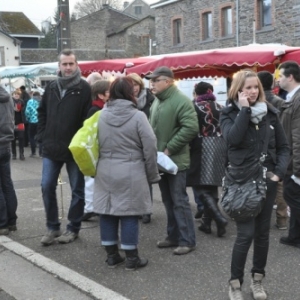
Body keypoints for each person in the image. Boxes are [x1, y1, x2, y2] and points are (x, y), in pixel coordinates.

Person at [220, 70, 289, 300]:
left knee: (262, 234)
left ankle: (257, 279)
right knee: (245, 234)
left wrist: (278, 173)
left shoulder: (270, 113)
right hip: (241, 182)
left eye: (255, 87)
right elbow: (233, 139)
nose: (252, 91)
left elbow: (283, 147)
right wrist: (244, 110)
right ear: (238, 89)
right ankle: (235, 283)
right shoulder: (229, 113)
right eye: (247, 87)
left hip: (267, 180)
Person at [93, 77, 160, 270]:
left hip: (105, 169)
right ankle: (132, 258)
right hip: (131, 170)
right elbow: (150, 146)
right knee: (129, 213)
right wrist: (152, 173)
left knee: (107, 212)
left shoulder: (101, 115)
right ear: (131, 93)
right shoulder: (138, 116)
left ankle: (112, 256)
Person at [37, 49, 92, 246]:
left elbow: (89, 118)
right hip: (51, 147)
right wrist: (41, 136)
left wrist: (81, 142)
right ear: (58, 66)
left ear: (76, 65)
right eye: (64, 64)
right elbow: (41, 112)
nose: (68, 67)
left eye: (71, 64)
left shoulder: (84, 88)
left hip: (74, 149)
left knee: (77, 189)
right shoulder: (51, 87)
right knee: (46, 186)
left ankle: (73, 228)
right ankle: (52, 227)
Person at [147, 66, 199, 255]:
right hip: (161, 160)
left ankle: (187, 240)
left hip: (175, 160)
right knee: (168, 200)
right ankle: (173, 236)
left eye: (156, 80)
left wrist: (170, 148)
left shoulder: (181, 101)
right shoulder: (157, 102)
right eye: (151, 80)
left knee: (179, 201)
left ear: (168, 81)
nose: (152, 83)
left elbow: (191, 127)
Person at [187, 81, 228, 237]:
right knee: (213, 185)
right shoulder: (221, 107)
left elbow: (191, 128)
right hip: (220, 145)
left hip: (202, 145)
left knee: (199, 183)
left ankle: (218, 218)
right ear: (210, 91)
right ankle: (206, 223)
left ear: (196, 93)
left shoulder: (194, 107)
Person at [257, 71, 288, 230]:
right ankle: (282, 220)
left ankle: (260, 218)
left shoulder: (257, 102)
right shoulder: (280, 101)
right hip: (278, 147)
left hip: (264, 149)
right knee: (279, 186)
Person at [127, 72, 155, 224]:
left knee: (147, 178)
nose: (134, 88)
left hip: (146, 142)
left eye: (136, 84)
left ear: (140, 85)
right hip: (131, 143)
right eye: (130, 85)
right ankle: (138, 208)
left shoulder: (150, 99)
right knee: (134, 178)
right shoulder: (125, 101)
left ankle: (147, 210)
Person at [277, 61, 300, 249]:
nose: (278, 79)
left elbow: (297, 136)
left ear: (290, 77)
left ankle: (296, 237)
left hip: (294, 163)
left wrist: (297, 170)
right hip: (291, 161)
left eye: (281, 76)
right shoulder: (292, 98)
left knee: (293, 197)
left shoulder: (298, 99)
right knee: (292, 197)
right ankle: (293, 236)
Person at [82, 80, 110, 222]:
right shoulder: (95, 110)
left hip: (104, 150)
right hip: (96, 150)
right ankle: (90, 208)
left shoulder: (105, 108)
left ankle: (98, 207)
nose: (111, 94)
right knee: (91, 181)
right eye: (108, 91)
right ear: (100, 95)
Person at [0, 85, 18, 235]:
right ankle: (11, 220)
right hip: (6, 142)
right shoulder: (8, 96)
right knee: (7, 183)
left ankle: (2, 223)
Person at [25, 91, 42, 157]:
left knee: (32, 137)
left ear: (33, 95)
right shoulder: (42, 101)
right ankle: (41, 153)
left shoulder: (30, 101)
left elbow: (27, 112)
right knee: (40, 137)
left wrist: (28, 119)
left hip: (32, 122)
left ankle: (33, 152)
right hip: (40, 122)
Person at [11, 89, 25, 160]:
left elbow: (25, 111)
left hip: (20, 123)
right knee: (12, 139)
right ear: (12, 95)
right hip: (12, 123)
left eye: (18, 94)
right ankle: (14, 154)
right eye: (15, 94)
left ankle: (21, 154)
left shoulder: (22, 102)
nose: (16, 95)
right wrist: (13, 109)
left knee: (21, 138)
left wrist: (21, 109)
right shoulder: (10, 102)